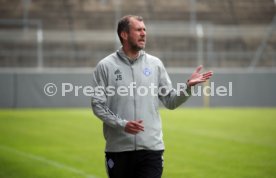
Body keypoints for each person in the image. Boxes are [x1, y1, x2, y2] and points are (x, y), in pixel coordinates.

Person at [91, 15, 213, 178]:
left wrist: (188, 88)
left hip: (151, 149)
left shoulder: (155, 64)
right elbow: (98, 105)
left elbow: (170, 101)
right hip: (118, 149)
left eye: (144, 30)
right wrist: (122, 124)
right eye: (138, 30)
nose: (143, 34)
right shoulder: (106, 66)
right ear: (124, 34)